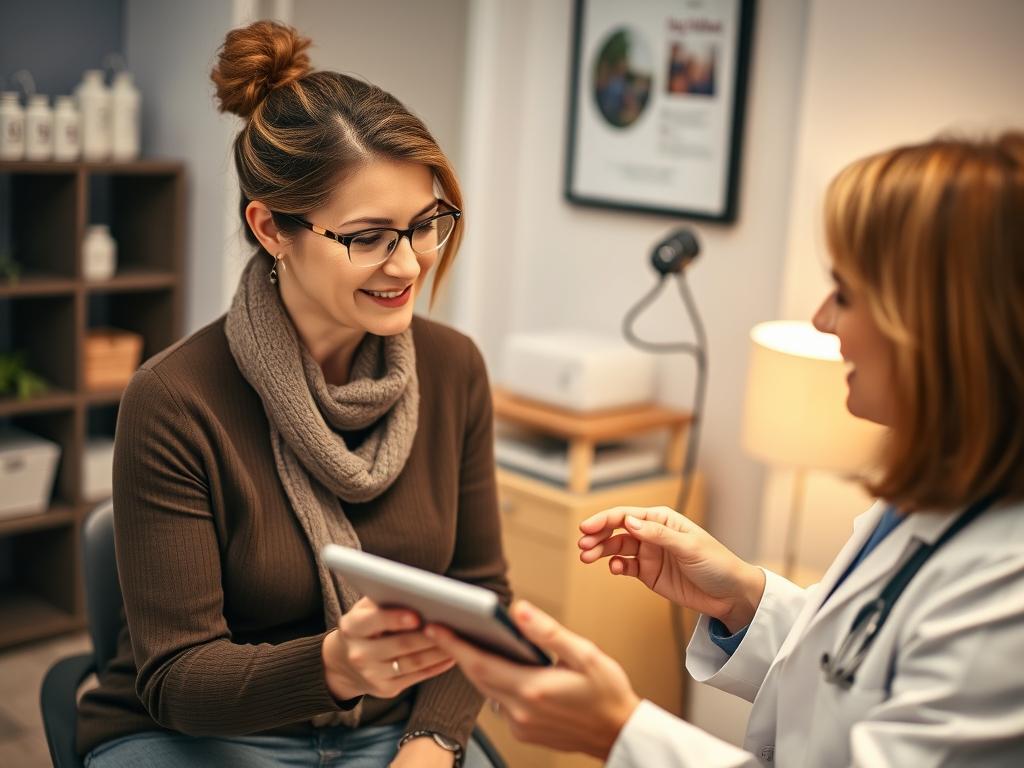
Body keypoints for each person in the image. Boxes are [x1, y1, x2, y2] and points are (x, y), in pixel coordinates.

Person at [427, 132, 1024, 766]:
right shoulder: (928, 508)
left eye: (846, 294)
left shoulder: (1005, 592)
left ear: (937, 326)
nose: (823, 319)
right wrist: (740, 597)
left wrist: (620, 732)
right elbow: (846, 669)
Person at [76, 20, 508, 768]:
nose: (408, 264)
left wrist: (432, 742)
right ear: (272, 228)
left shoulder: (455, 370)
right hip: (203, 733)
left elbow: (479, 591)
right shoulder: (174, 401)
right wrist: (334, 667)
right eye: (368, 236)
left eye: (424, 224)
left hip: (393, 724)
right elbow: (177, 677)